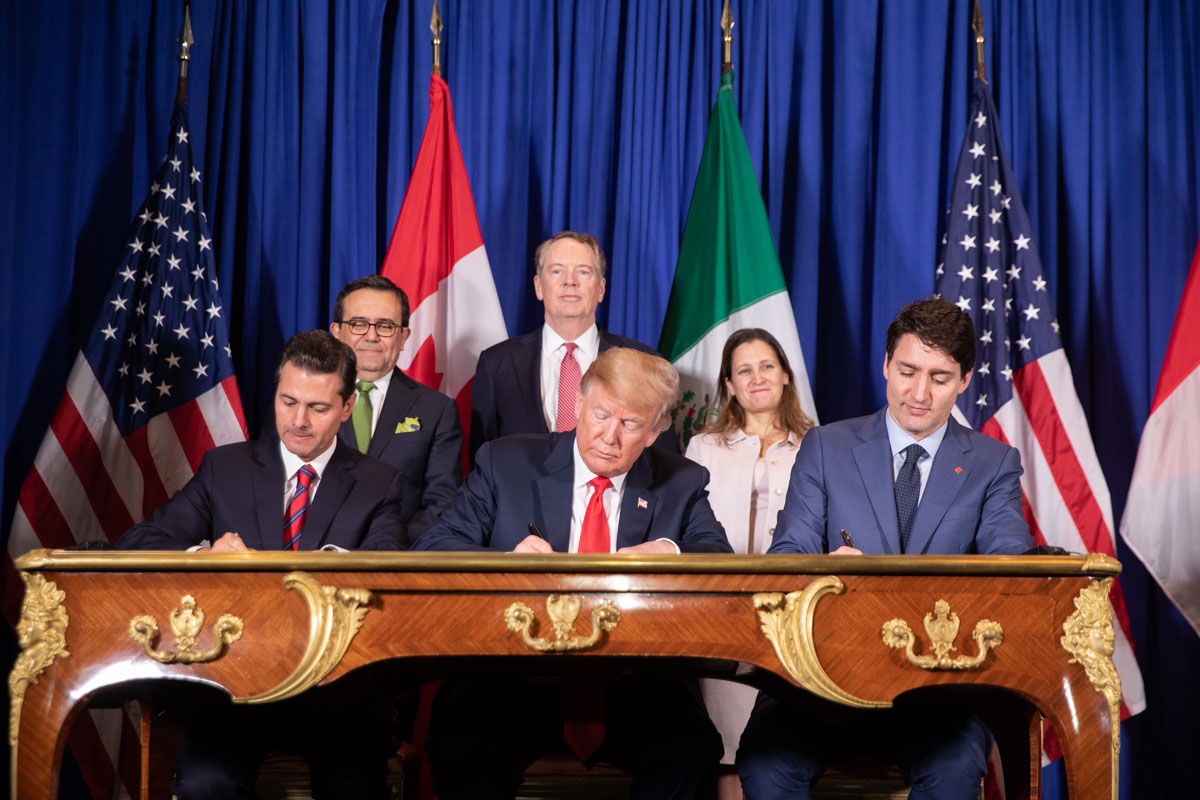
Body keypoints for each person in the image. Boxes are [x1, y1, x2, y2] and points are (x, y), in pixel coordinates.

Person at [736, 297, 1033, 800]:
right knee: (765, 767)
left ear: (964, 381)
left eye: (939, 378)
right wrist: (823, 569)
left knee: (957, 771)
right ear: (886, 366)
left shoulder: (994, 463)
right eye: (907, 371)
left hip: (933, 697)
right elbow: (785, 560)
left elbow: (1011, 578)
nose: (919, 393)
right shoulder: (827, 446)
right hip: (817, 686)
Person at [415, 347, 730, 799]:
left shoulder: (681, 481)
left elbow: (720, 561)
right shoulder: (504, 463)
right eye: (600, 414)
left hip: (637, 686)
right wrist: (505, 565)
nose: (609, 436)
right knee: (460, 747)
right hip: (512, 679)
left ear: (657, 431)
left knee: (693, 751)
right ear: (580, 401)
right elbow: (434, 547)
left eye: (631, 424)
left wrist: (669, 549)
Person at [118, 329, 405, 799]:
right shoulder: (225, 469)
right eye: (288, 401)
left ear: (347, 407)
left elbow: (388, 569)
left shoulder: (382, 484)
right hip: (233, 692)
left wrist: (323, 565)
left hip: (338, 695)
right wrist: (204, 557)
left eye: (318, 407)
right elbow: (137, 545)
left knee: (354, 787)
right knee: (205, 785)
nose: (298, 421)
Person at [684, 328, 814, 799]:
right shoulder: (703, 448)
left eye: (766, 366)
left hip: (794, 616)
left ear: (784, 374)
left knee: (776, 749)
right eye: (744, 370)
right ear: (730, 384)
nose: (756, 377)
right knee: (725, 748)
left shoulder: (819, 446)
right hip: (721, 612)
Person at [469, 230, 676, 462]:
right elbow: (482, 460)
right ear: (538, 286)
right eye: (557, 271)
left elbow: (663, 459)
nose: (570, 281)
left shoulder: (644, 362)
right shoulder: (497, 363)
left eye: (583, 272)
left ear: (601, 288)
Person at [330, 275, 462, 543]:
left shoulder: (437, 410)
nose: (371, 336)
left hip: (396, 560)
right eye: (358, 324)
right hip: (313, 557)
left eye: (386, 326)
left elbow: (441, 503)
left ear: (404, 337)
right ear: (336, 331)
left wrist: (386, 548)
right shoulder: (301, 401)